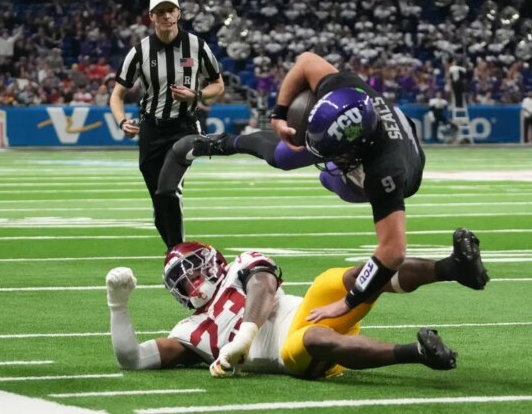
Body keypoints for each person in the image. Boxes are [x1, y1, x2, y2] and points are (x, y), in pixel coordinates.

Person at [192, 52, 489, 321]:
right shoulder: (344, 88)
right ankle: (224, 144)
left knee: (327, 177)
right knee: (287, 152)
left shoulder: (384, 172)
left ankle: (228, 144)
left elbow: (393, 251)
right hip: (375, 132)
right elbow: (307, 61)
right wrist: (279, 114)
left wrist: (348, 302)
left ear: (356, 151)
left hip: (402, 167)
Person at [106, 240, 488, 378]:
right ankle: (420, 353)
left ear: (211, 261)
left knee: (341, 278)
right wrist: (117, 304)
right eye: (181, 283)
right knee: (309, 339)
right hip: (291, 356)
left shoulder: (241, 266)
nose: (190, 285)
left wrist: (244, 336)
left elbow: (263, 286)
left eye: (191, 273)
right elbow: (132, 360)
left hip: (311, 311)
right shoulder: (188, 332)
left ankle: (454, 268)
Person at [109, 0, 224, 250]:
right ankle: (174, 252)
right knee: (159, 203)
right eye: (160, 12)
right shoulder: (140, 51)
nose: (166, 16)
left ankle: (179, 253)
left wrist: (196, 94)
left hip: (184, 127)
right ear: (151, 16)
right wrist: (122, 122)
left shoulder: (197, 46)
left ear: (179, 13)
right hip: (151, 129)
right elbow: (116, 95)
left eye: (170, 10)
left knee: (168, 191)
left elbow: (218, 84)